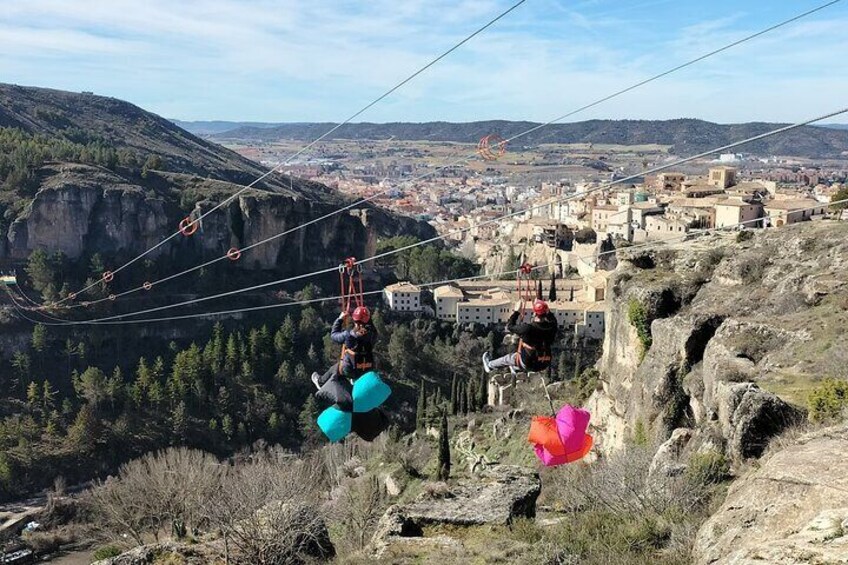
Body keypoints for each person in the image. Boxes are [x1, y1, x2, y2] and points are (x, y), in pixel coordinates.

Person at [483, 299, 557, 374]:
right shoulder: (552, 327)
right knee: (522, 355)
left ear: (534, 314)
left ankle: (489, 366)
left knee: (509, 358)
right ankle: (516, 367)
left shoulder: (527, 329)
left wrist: (516, 312)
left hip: (528, 363)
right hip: (544, 363)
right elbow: (552, 318)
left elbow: (509, 326)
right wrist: (544, 308)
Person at [312, 305, 377, 389]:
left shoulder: (348, 335)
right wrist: (366, 315)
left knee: (336, 368)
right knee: (345, 368)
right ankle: (355, 380)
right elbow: (369, 325)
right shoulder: (373, 334)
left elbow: (334, 335)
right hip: (366, 369)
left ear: (354, 320)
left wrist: (340, 319)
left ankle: (320, 382)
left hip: (350, 369)